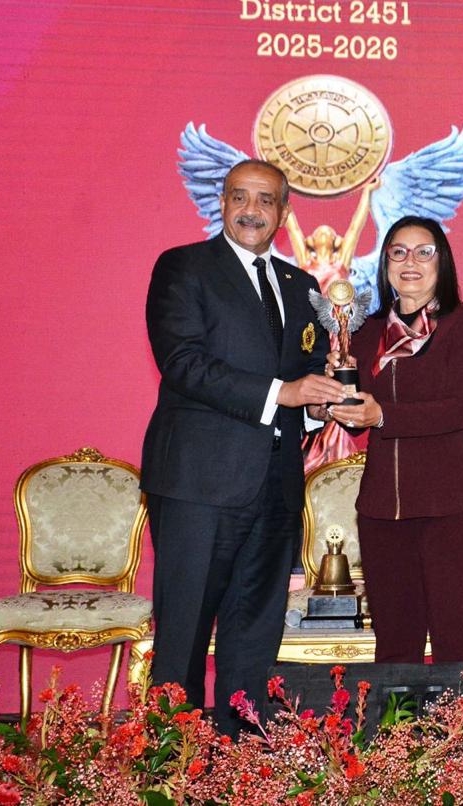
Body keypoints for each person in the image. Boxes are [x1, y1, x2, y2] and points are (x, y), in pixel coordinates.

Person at [141, 159, 344, 737]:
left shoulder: (301, 286)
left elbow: (304, 378)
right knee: (183, 634)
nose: (251, 210)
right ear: (223, 203)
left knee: (254, 636)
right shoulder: (184, 267)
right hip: (199, 484)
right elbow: (183, 363)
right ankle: (171, 762)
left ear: (283, 212)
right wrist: (285, 393)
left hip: (276, 486)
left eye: (265, 200)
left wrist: (321, 402)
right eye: (239, 197)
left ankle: (242, 759)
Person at [324, 215, 463, 664]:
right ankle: (398, 716)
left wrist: (383, 415)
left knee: (460, 642)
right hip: (383, 510)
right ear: (385, 264)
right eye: (398, 252)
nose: (410, 262)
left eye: (423, 252)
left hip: (451, 507)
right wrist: (334, 393)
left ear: (442, 262)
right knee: (395, 645)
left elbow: (459, 408)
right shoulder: (365, 332)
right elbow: (355, 420)